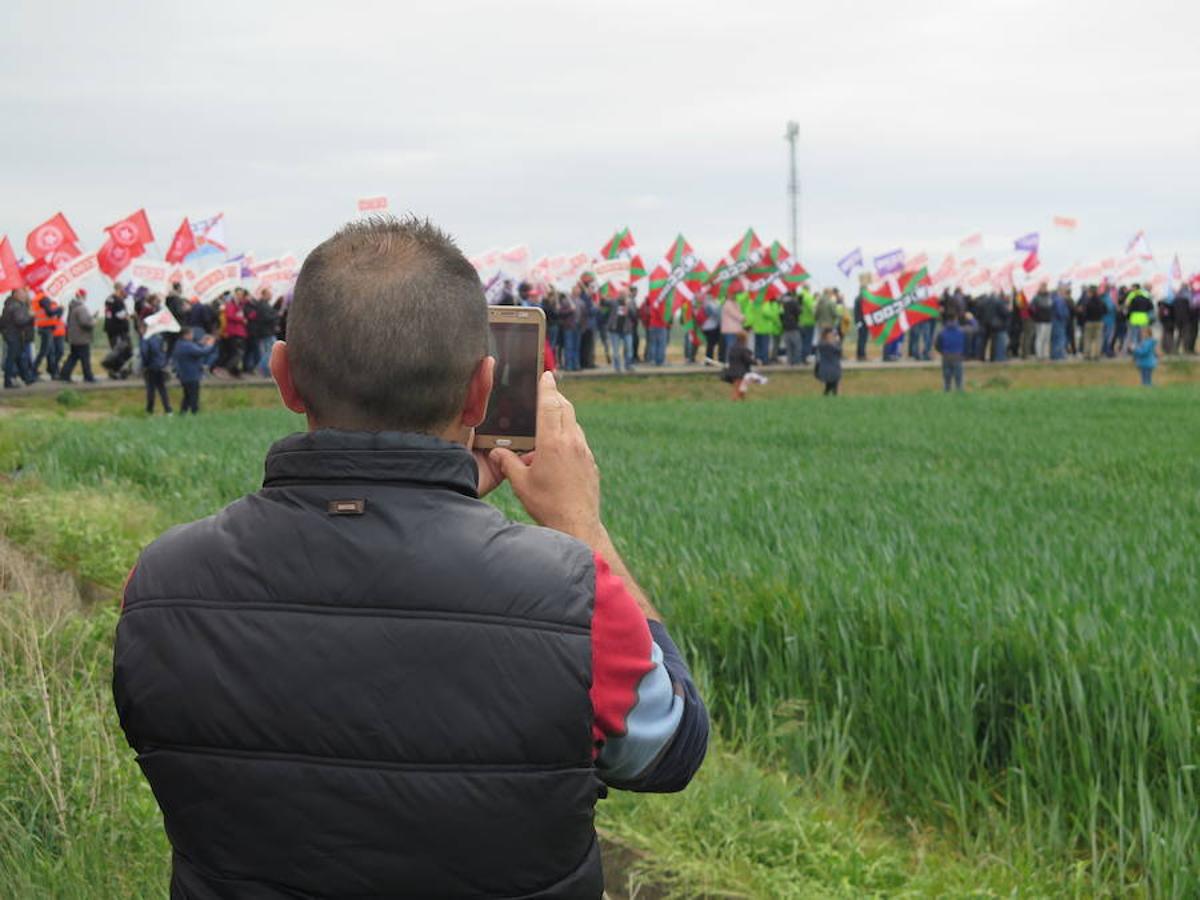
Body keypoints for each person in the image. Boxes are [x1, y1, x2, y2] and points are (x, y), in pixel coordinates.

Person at [113, 217, 707, 898]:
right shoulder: (576, 597)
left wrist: (434, 493)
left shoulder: (158, 584)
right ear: (481, 392)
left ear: (285, 377)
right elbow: (670, 749)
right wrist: (581, 526)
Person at [171, 327, 219, 414]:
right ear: (185, 335)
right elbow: (202, 352)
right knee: (194, 397)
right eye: (191, 334)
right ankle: (195, 413)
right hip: (192, 375)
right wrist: (211, 344)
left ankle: (183, 413)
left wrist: (201, 343)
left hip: (183, 375)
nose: (192, 335)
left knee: (187, 396)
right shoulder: (187, 346)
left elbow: (194, 348)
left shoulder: (179, 344)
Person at [59, 291, 97, 383]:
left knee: (73, 357)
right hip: (81, 338)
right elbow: (85, 322)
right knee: (85, 358)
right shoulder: (81, 308)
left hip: (74, 337)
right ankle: (88, 377)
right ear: (82, 296)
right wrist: (93, 321)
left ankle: (64, 374)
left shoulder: (73, 307)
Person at [2, 289, 36, 388]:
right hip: (14, 335)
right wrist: (30, 316)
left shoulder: (9, 304)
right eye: (22, 293)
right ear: (16, 294)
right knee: (12, 358)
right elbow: (20, 321)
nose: (24, 295)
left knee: (19, 357)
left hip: (11, 335)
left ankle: (27, 378)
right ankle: (8, 382)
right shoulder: (16, 306)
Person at [140, 326, 173, 415]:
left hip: (150, 367)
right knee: (162, 389)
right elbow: (165, 351)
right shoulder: (159, 338)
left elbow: (144, 352)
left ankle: (149, 410)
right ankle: (168, 409)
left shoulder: (145, 339)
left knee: (151, 389)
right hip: (160, 366)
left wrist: (144, 365)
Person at [32, 291, 64, 378]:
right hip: (46, 328)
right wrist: (59, 309)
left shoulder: (39, 299)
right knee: (44, 351)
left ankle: (53, 372)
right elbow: (49, 312)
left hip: (45, 328)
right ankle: (33, 370)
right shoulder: (44, 299)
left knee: (50, 352)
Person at [721, 331, 760, 400]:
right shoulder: (743, 349)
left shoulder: (732, 348)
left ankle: (743, 402)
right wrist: (757, 362)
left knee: (741, 388)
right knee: (738, 389)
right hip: (740, 373)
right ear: (744, 339)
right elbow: (748, 360)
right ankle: (734, 401)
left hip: (732, 371)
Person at [605, 288, 635, 373]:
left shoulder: (631, 303)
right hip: (615, 330)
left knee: (629, 349)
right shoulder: (614, 302)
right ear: (618, 294)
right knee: (616, 351)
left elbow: (634, 316)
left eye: (625, 293)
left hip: (627, 330)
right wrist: (604, 297)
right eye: (621, 293)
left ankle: (628, 366)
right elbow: (604, 303)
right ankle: (617, 367)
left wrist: (628, 307)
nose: (623, 295)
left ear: (627, 295)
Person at [935, 315, 966, 392]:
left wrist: (942, 352)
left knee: (947, 375)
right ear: (956, 320)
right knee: (958, 376)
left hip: (946, 356)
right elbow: (975, 328)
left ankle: (947, 390)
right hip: (958, 355)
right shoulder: (961, 331)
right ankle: (959, 390)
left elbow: (937, 345)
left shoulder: (942, 332)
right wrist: (971, 319)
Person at [1125, 283, 1154, 350]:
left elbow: (1127, 305)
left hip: (1134, 317)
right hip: (1143, 317)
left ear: (1135, 288)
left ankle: (1135, 349)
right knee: (1142, 335)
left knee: (1134, 335)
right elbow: (1150, 307)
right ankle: (1142, 349)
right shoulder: (1145, 294)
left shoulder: (1132, 295)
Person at [814, 327, 842, 396]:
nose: (832, 336)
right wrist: (836, 342)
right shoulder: (824, 344)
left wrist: (836, 342)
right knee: (832, 385)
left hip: (830, 369)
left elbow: (839, 352)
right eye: (831, 334)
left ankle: (827, 395)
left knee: (829, 387)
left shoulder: (821, 343)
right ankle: (832, 396)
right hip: (830, 370)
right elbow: (838, 351)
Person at [104, 282, 132, 348]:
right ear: (120, 288)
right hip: (118, 329)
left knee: (116, 349)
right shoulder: (118, 300)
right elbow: (120, 315)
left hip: (110, 328)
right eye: (123, 288)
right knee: (120, 350)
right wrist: (128, 315)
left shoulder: (109, 298)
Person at [719, 292, 745, 361]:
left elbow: (738, 312)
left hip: (734, 329)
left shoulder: (734, 303)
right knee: (731, 347)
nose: (733, 295)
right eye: (731, 294)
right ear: (727, 295)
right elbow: (736, 314)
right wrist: (743, 318)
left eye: (734, 294)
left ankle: (733, 362)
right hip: (730, 329)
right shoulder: (728, 304)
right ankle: (729, 362)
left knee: (733, 347)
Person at [1082, 285, 1106, 360]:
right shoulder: (1101, 301)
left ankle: (1087, 354)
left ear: (1091, 292)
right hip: (1099, 321)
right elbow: (1106, 310)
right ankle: (1097, 355)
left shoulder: (1088, 301)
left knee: (1088, 339)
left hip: (1089, 321)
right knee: (1098, 339)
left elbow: (1085, 311)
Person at [780, 291, 803, 365]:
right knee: (797, 345)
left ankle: (790, 361)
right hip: (793, 326)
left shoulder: (781, 303)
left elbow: (780, 314)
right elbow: (799, 312)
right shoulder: (793, 302)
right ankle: (797, 361)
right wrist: (800, 304)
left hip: (785, 327)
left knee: (788, 346)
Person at [1031, 285, 1053, 360]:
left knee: (1047, 339)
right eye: (1042, 287)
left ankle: (1045, 354)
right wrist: (1037, 316)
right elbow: (1031, 308)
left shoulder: (1049, 297)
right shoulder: (1036, 297)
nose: (1044, 289)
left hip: (1048, 320)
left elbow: (1051, 307)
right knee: (1040, 338)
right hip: (1040, 321)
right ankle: (1039, 355)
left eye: (1045, 287)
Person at [699, 290, 720, 361]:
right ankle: (709, 360)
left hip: (706, 326)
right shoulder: (709, 302)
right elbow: (715, 314)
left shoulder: (704, 301)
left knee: (710, 344)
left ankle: (709, 359)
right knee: (711, 345)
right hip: (711, 326)